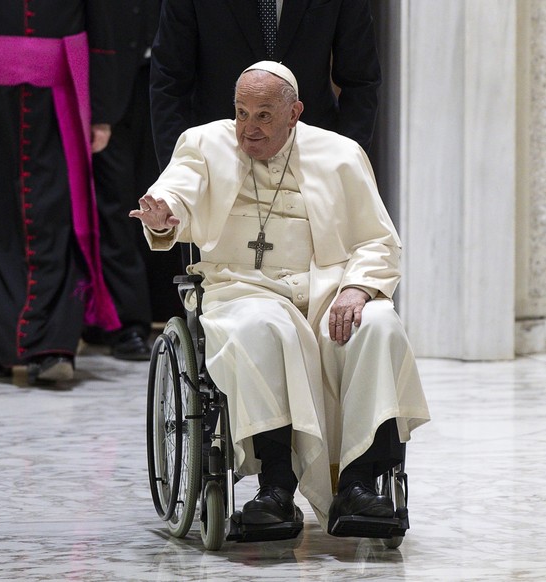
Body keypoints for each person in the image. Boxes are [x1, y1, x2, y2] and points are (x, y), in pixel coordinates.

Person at [129, 62, 430, 535]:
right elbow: (178, 189)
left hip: (327, 288)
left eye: (265, 115)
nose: (249, 128)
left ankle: (359, 485)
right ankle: (275, 485)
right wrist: (164, 214)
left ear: (295, 114)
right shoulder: (204, 143)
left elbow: (378, 239)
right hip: (243, 287)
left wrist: (357, 286)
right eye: (242, 112)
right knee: (264, 328)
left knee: (377, 324)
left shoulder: (341, 154)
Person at [0, 1, 122, 385]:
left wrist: (101, 111)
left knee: (57, 217)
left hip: (60, 103)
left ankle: (53, 347)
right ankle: (0, 342)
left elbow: (101, 26)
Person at [150, 0, 381, 170]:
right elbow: (169, 82)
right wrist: (178, 173)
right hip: (218, 161)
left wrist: (347, 164)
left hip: (313, 160)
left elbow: (360, 81)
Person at [86, 0, 162, 361]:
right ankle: (124, 320)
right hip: (107, 75)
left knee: (165, 192)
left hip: (170, 76)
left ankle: (168, 308)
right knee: (116, 201)